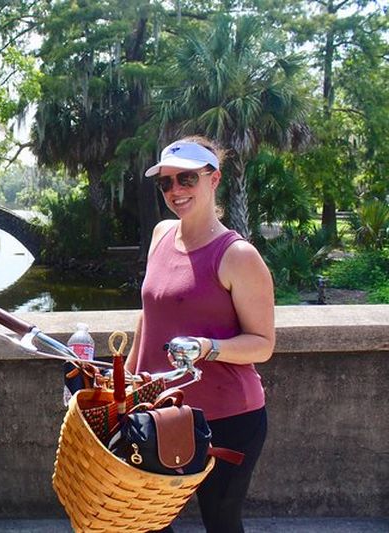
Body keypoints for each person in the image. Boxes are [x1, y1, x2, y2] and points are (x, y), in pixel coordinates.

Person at [124, 136, 275, 533]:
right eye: (166, 183)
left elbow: (263, 343)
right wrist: (126, 383)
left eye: (187, 179)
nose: (176, 191)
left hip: (227, 417)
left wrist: (208, 348)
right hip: (157, 412)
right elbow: (149, 314)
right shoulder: (161, 234)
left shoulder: (237, 255)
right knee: (147, 521)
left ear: (214, 179)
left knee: (221, 521)